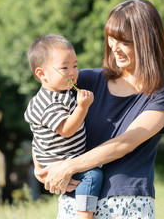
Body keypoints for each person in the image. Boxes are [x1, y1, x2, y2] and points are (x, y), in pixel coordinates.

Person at [35, 0, 164, 218]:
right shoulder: (86, 80)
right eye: (111, 39)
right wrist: (41, 165)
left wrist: (68, 167)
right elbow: (42, 117)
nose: (114, 47)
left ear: (147, 41)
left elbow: (125, 143)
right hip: (76, 202)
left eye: (124, 41)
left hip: (128, 203)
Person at [24, 34, 103, 219]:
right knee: (93, 175)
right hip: (55, 159)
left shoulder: (63, 92)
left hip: (63, 155)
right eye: (64, 68)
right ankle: (84, 215)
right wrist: (83, 107)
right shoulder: (47, 103)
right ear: (41, 74)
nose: (72, 72)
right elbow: (67, 130)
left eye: (75, 66)